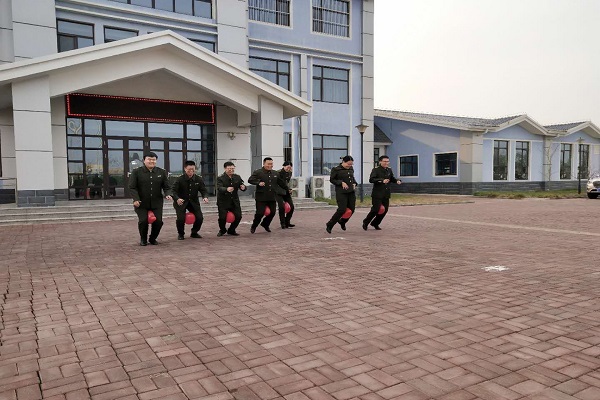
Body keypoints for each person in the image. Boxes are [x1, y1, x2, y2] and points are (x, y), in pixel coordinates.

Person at [129, 152, 172, 246]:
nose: (151, 161)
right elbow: (132, 187)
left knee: (158, 222)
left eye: (154, 160)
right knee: (143, 221)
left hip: (157, 202)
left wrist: (168, 194)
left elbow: (167, 186)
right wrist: (135, 199)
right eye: (149, 159)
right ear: (144, 160)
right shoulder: (136, 172)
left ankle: (152, 238)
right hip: (141, 202)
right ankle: (143, 239)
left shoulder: (161, 172)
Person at [171, 160, 209, 240]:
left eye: (193, 169)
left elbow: (203, 190)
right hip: (181, 202)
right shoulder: (179, 179)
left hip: (193, 202)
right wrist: (177, 199)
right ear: (185, 169)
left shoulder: (198, 179)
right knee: (181, 219)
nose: (191, 171)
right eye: (189, 170)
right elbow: (173, 191)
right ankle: (181, 234)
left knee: (199, 218)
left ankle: (194, 232)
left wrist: (205, 197)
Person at [362, 155, 402, 230]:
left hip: (386, 193)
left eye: (387, 161)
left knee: (384, 210)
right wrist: (381, 180)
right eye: (384, 161)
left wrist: (397, 181)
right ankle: (366, 222)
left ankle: (375, 223)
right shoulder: (376, 170)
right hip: (377, 194)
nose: (386, 163)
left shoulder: (389, 170)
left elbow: (392, 178)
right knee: (376, 209)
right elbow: (371, 179)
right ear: (380, 161)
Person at [248, 157, 286, 234]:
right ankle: (254, 226)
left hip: (272, 196)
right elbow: (250, 180)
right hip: (261, 197)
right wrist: (258, 182)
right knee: (260, 213)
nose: (270, 165)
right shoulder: (258, 172)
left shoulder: (275, 173)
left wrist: (288, 189)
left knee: (272, 212)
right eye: (268, 164)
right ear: (264, 164)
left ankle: (265, 224)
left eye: (271, 164)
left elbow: (281, 183)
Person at [326, 155, 357, 234]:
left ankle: (342, 221)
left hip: (351, 192)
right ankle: (330, 224)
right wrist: (341, 182)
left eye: (351, 164)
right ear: (343, 162)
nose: (349, 166)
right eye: (348, 164)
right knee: (342, 210)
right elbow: (332, 180)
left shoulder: (351, 168)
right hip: (341, 192)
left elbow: (352, 178)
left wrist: (354, 183)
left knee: (352, 209)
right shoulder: (336, 169)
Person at [216, 161, 247, 236]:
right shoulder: (220, 178)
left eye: (233, 168)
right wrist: (226, 189)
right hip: (223, 201)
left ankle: (231, 230)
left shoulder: (237, 177)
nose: (231, 170)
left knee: (238, 216)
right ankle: (222, 230)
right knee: (222, 218)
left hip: (234, 201)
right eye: (229, 168)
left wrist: (243, 187)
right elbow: (219, 188)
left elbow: (242, 185)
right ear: (225, 169)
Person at [276, 161, 295, 229]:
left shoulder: (290, 173)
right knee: (281, 207)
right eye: (287, 167)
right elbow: (280, 183)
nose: (288, 169)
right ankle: (283, 223)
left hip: (286, 192)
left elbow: (288, 182)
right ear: (284, 166)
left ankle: (287, 222)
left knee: (291, 207)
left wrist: (290, 189)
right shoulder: (278, 173)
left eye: (290, 167)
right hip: (278, 192)